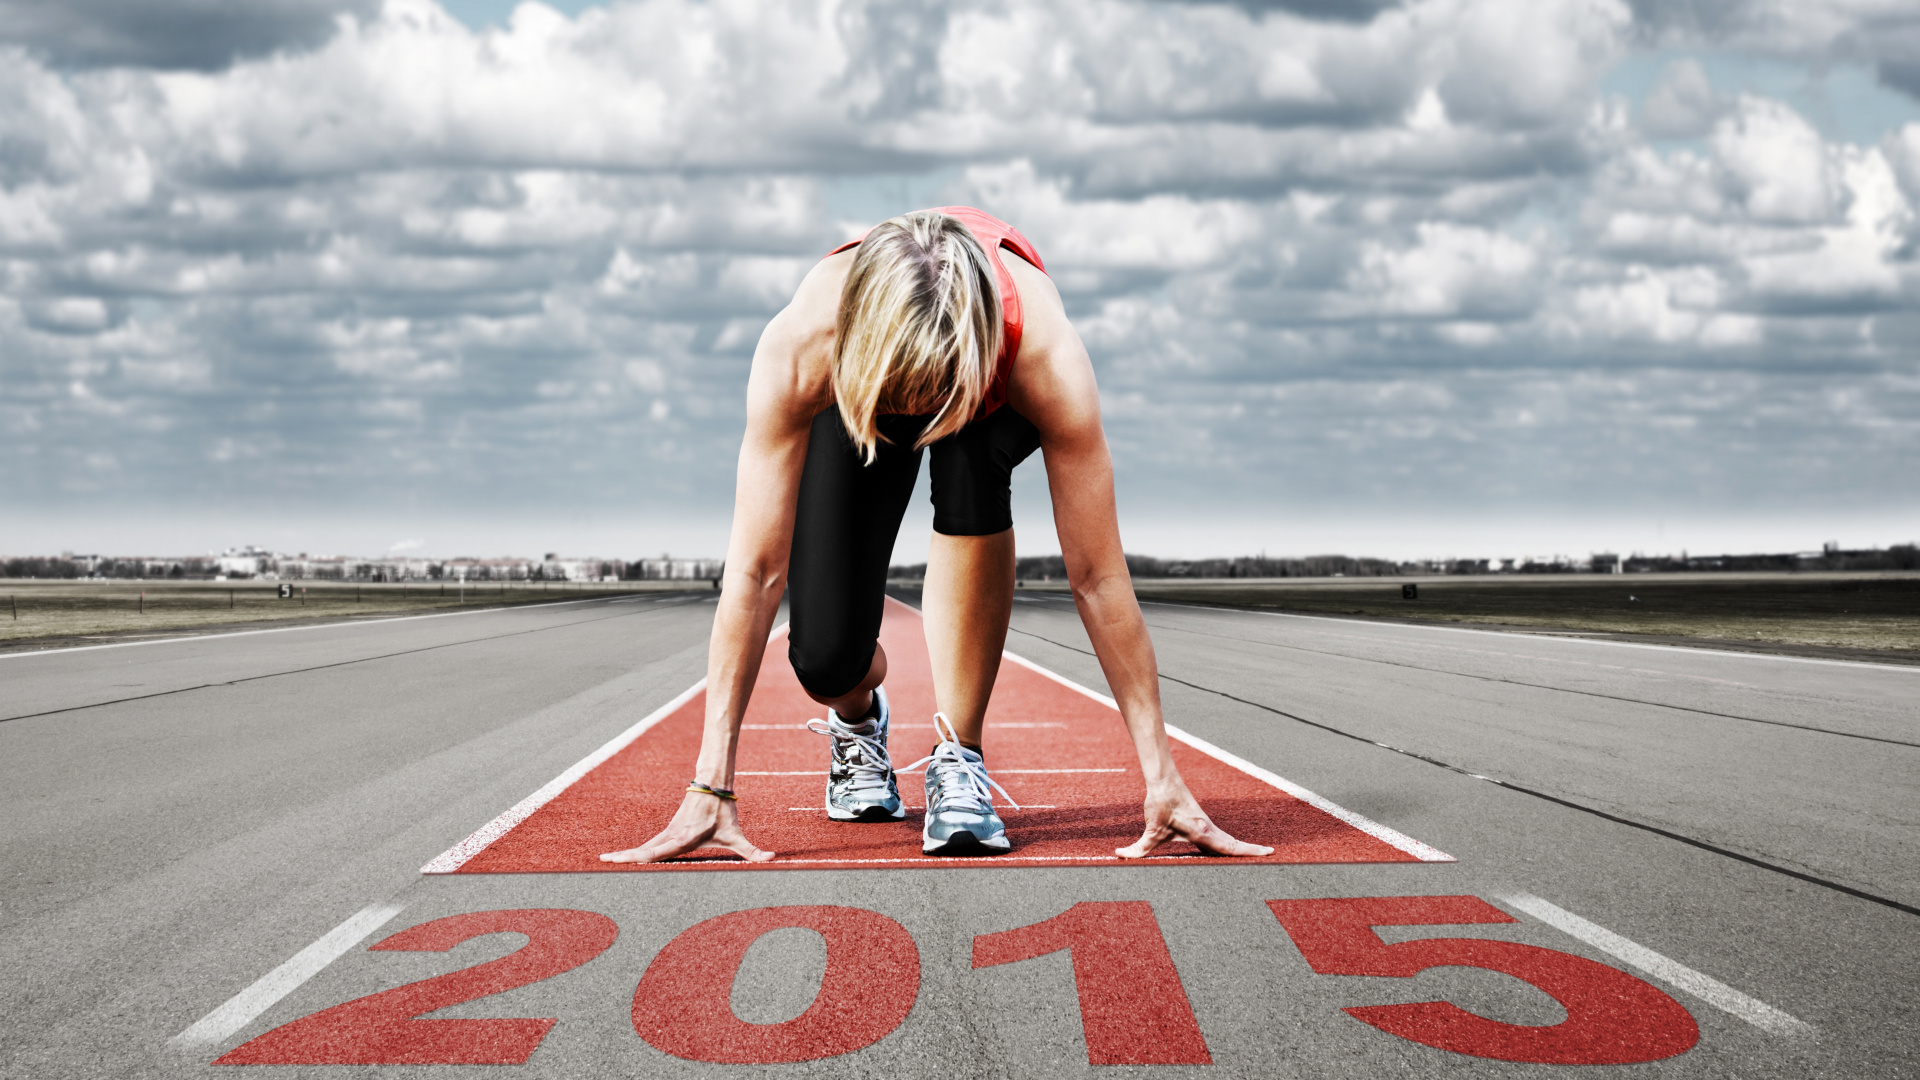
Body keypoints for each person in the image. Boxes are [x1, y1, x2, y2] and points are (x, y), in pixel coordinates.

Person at [601, 207, 1272, 863]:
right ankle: (860, 718)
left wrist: (1163, 780)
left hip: (986, 385)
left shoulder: (1044, 354)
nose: (924, 418)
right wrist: (710, 786)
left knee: (973, 461)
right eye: (910, 397)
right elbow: (755, 572)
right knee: (824, 659)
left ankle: (960, 757)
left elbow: (1096, 575)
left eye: (935, 396)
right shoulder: (803, 345)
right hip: (866, 384)